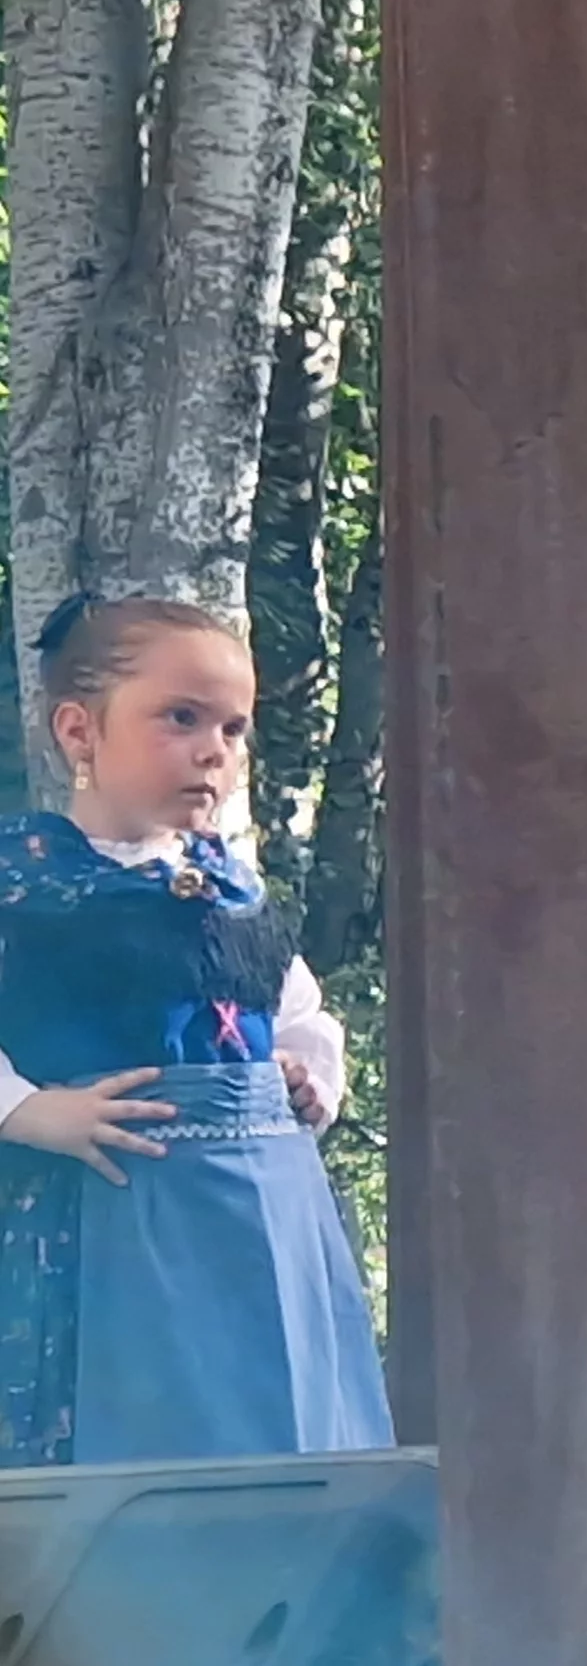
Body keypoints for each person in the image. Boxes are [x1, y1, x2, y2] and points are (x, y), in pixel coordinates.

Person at [0, 595, 388, 1468]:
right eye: (181, 718)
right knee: (126, 1449)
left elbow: (296, 1010)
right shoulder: (23, 881)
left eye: (234, 728)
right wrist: (27, 1111)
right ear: (79, 732)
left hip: (255, 1225)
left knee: (271, 1431)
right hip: (90, 1218)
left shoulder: (231, 886)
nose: (215, 749)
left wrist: (308, 1072)